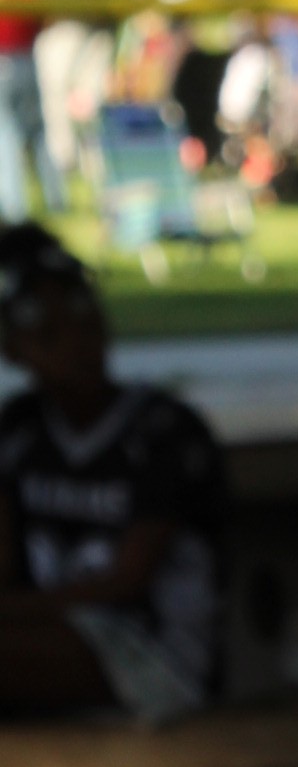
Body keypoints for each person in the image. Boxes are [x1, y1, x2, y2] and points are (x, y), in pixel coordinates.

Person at [0, 226, 224, 722]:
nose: (75, 345)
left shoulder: (164, 430)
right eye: (48, 334)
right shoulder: (18, 430)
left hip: (156, 657)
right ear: (14, 348)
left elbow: (126, 582)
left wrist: (13, 611)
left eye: (86, 323)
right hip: (50, 635)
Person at [0, 0, 61, 222]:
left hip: (8, 59)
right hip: (27, 59)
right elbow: (46, 21)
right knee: (36, 133)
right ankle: (55, 197)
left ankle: (15, 206)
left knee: (6, 134)